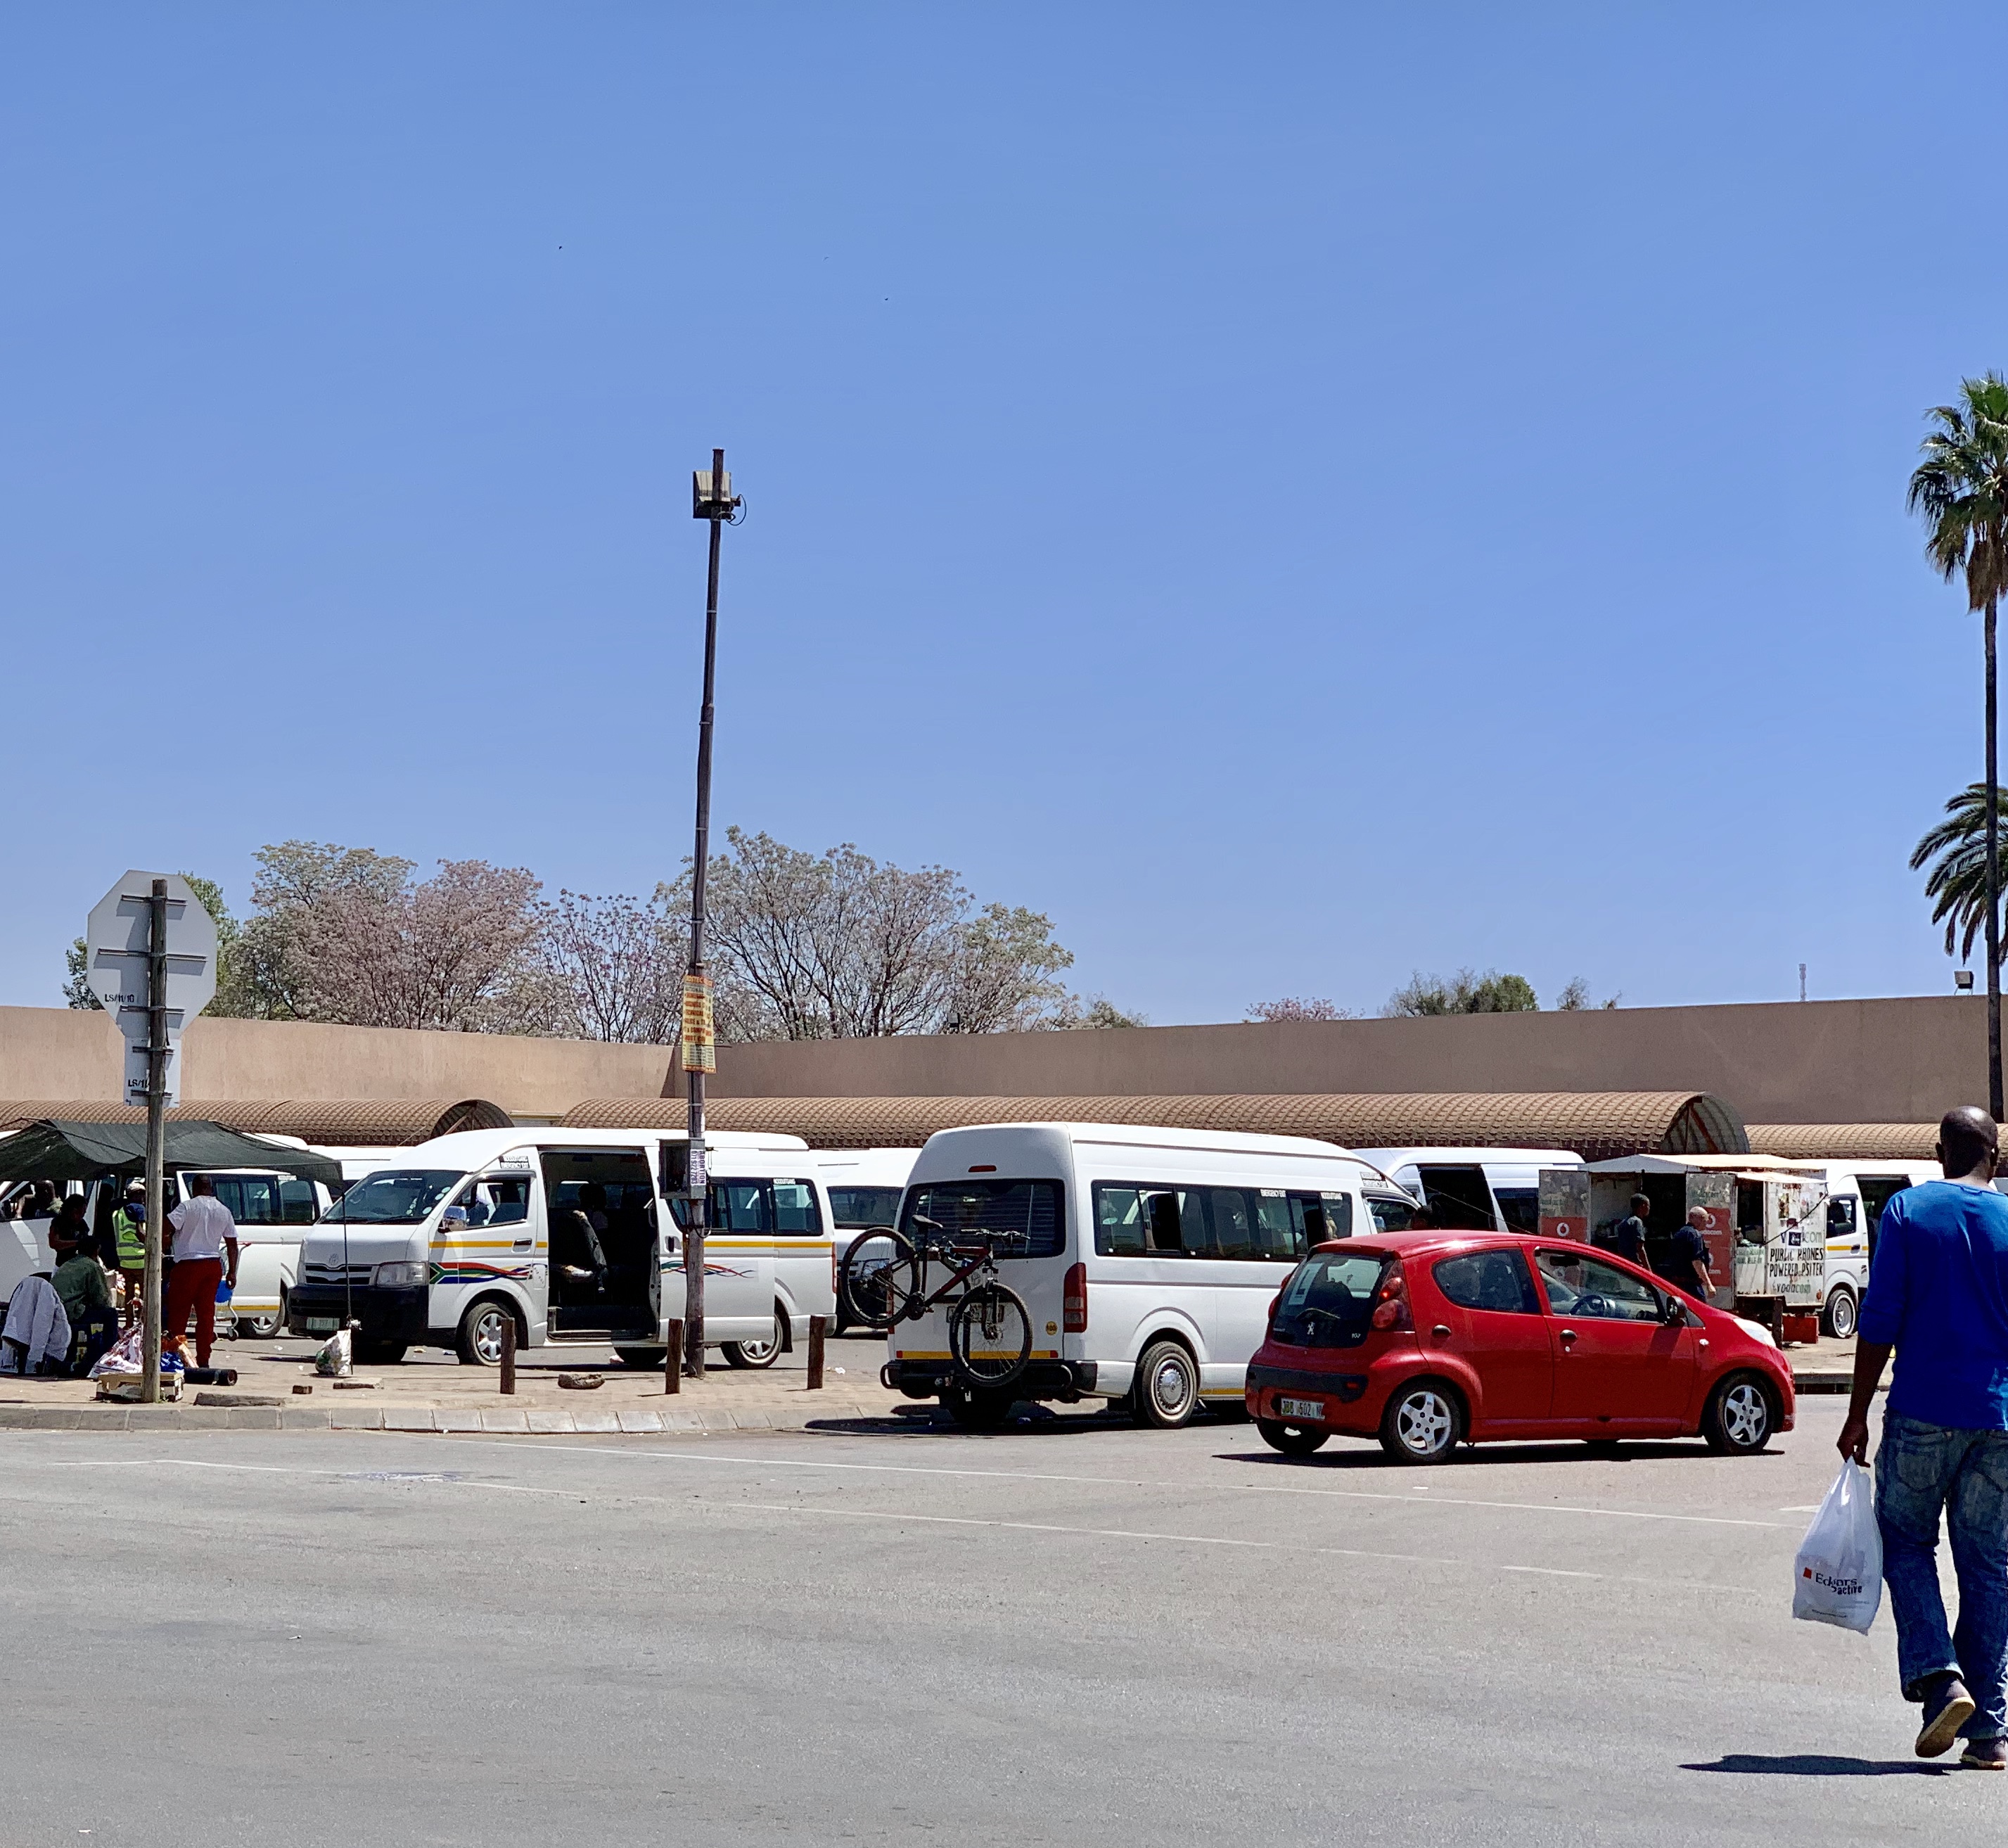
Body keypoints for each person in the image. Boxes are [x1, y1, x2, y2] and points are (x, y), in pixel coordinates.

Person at [1838, 1104, 2008, 1769]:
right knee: (1989, 1565)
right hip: (1997, 1418)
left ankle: (1941, 1680)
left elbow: (1877, 1321)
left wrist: (1856, 1413)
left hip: (1921, 1412)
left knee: (1904, 1541)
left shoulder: (1909, 1213)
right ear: (1994, 1157)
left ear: (1940, 1152)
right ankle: (1991, 1731)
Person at [163, 1174, 238, 1370]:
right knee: (206, 1316)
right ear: (211, 1188)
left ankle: (177, 1358)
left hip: (187, 1265)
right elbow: (232, 1244)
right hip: (213, 1265)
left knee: (179, 1314)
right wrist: (232, 1272)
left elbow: (166, 1227)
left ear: (194, 1187)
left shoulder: (187, 1207)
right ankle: (203, 1359)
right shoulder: (224, 1210)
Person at [49, 1218, 115, 1373]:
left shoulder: (67, 1264)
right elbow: (100, 1299)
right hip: (72, 1311)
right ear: (97, 1250)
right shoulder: (92, 1267)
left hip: (56, 1310)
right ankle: (106, 1356)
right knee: (110, 1315)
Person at [111, 1183, 148, 1329]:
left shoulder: (119, 1212)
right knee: (145, 1293)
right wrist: (154, 1245)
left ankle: (128, 1323)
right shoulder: (139, 1209)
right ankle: (141, 1321)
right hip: (139, 1257)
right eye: (140, 1194)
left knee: (129, 1292)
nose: (142, 1197)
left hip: (124, 1258)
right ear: (134, 1195)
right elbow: (141, 1233)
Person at [1658, 1206, 1715, 1300]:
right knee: (1698, 1312)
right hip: (1691, 1286)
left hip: (1676, 1285)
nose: (1706, 1224)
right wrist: (1709, 1285)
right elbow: (1697, 1262)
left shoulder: (1679, 1234)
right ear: (1698, 1218)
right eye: (1705, 1220)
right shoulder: (1695, 1235)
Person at [1601, 1194, 1650, 1267]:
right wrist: (1648, 1269)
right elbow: (1640, 1248)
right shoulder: (1637, 1222)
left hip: (1625, 1264)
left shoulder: (1624, 1222)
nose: (1649, 1208)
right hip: (1636, 1265)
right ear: (1642, 1206)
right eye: (1648, 1206)